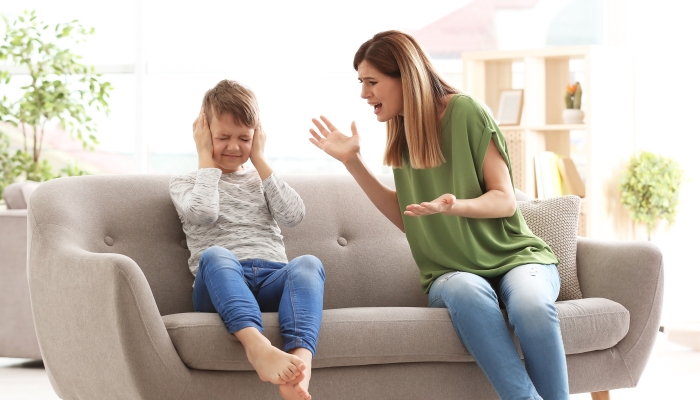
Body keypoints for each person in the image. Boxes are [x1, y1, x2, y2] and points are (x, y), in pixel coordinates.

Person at [308, 31, 568, 400]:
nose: (364, 94)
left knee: (531, 306)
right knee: (466, 289)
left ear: (405, 76)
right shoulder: (400, 130)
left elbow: (505, 200)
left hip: (516, 257)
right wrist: (353, 162)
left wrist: (454, 205)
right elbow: (408, 217)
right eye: (361, 83)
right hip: (451, 273)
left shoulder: (465, 112)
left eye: (372, 82)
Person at [170, 79, 324, 400]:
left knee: (308, 264)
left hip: (270, 280)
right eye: (222, 137)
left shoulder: (262, 180)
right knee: (216, 254)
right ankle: (258, 349)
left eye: (244, 138)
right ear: (203, 133)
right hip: (220, 286)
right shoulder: (187, 183)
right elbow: (204, 213)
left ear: (257, 138)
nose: (233, 146)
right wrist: (204, 158)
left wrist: (260, 160)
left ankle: (299, 368)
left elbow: (294, 215)